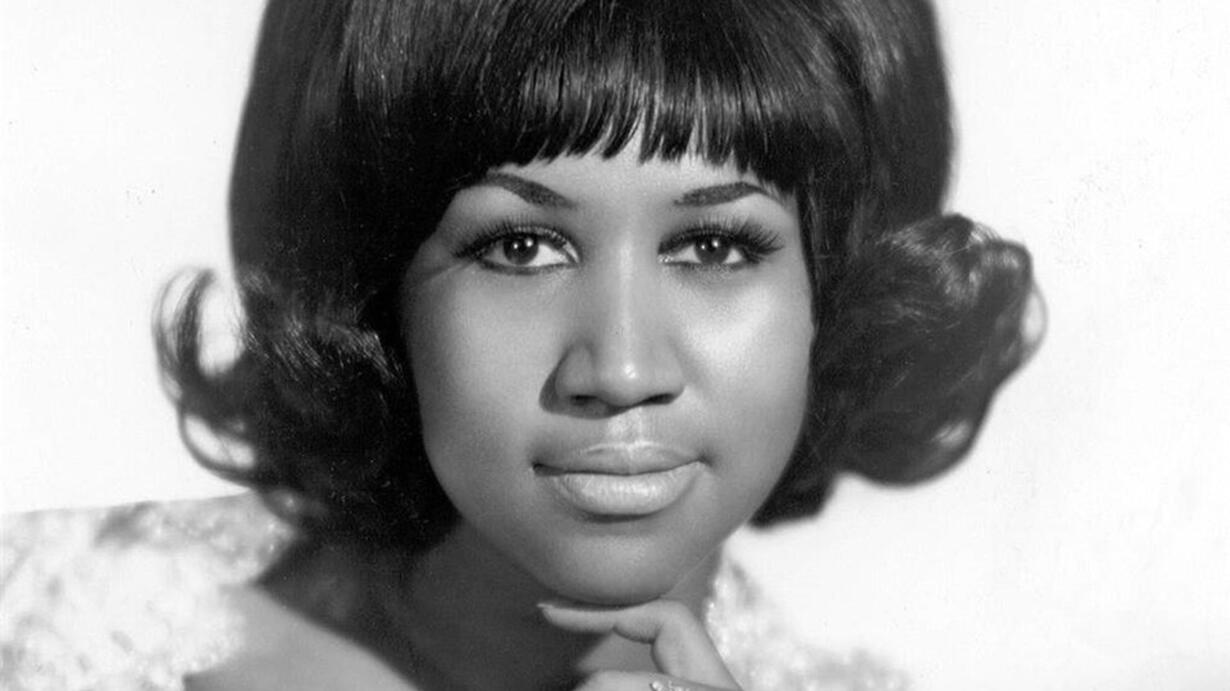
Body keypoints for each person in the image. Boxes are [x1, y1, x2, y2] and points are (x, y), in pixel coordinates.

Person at [0, 0, 1037, 689]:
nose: (621, 370)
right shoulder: (38, 611)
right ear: (372, 281)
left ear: (841, 293)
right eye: (522, 246)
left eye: (716, 246)